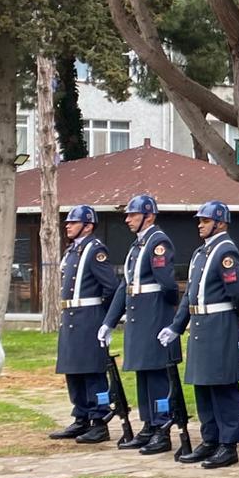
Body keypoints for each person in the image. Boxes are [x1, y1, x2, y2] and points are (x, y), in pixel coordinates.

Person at [160, 201, 239, 468]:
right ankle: (210, 438)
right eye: (200, 220)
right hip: (201, 323)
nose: (200, 225)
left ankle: (228, 443)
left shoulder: (226, 250)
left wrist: (235, 316)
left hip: (220, 322)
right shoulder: (202, 252)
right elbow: (189, 294)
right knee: (203, 384)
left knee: (223, 385)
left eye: (205, 221)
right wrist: (176, 326)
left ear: (220, 223)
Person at [99, 194, 182, 454]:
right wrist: (109, 321)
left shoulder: (158, 242)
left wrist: (166, 314)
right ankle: (148, 425)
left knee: (157, 374)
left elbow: (168, 284)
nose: (127, 219)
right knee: (143, 374)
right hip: (140, 319)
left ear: (149, 216)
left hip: (154, 317)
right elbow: (126, 286)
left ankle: (162, 427)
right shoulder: (138, 246)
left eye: (132, 215)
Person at [50, 205, 120, 444]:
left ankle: (99, 420)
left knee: (92, 371)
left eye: (73, 222)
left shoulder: (94, 250)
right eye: (68, 222)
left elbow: (110, 286)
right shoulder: (72, 251)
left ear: (88, 226)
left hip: (89, 317)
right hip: (71, 316)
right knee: (74, 370)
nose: (67, 225)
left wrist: (105, 317)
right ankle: (81, 417)